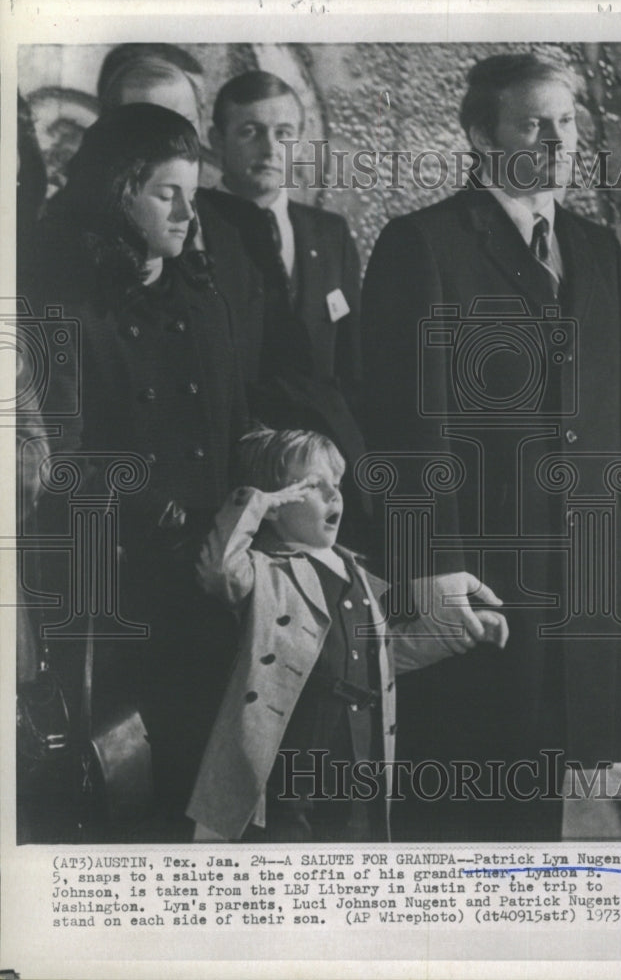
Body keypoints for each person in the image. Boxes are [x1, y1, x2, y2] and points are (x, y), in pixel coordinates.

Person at [361, 53, 621, 841]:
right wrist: (429, 565)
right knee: (471, 786)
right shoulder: (422, 244)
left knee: (554, 788)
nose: (559, 142)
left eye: (568, 122)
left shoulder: (593, 248)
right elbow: (400, 420)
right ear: (478, 133)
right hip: (481, 569)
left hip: (586, 567)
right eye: (535, 124)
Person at [33, 103, 249, 835]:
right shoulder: (59, 302)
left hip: (208, 590)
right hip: (113, 599)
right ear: (119, 191)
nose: (191, 212)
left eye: (193, 191)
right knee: (126, 804)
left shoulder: (203, 295)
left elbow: (229, 429)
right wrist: (156, 506)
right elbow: (52, 458)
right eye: (168, 193)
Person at [187, 426, 508, 842]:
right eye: (314, 486)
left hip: (358, 739)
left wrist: (460, 630)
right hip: (293, 747)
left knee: (356, 835)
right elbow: (217, 571)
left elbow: (386, 651)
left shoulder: (356, 570)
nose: (334, 496)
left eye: (335, 485)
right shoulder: (265, 571)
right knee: (290, 845)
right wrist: (256, 502)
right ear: (277, 505)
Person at [203, 70, 368, 548]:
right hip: (239, 466)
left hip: (326, 469)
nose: (269, 148)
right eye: (250, 131)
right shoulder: (195, 224)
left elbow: (351, 360)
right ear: (217, 141)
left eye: (283, 134)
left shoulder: (327, 232)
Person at [96, 46, 267, 415]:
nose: (173, 143)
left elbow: (281, 361)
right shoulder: (68, 246)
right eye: (149, 128)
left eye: (183, 123)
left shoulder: (244, 224)